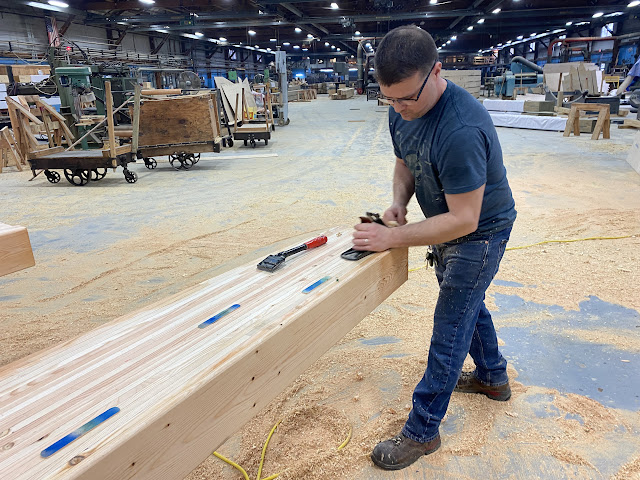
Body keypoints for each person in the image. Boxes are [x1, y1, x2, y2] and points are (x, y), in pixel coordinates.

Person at [351, 25, 517, 471]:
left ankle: (423, 432)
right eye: (390, 99)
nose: (399, 109)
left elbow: (465, 219)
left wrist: (392, 237)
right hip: (447, 226)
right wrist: (398, 204)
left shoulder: (461, 128)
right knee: (467, 307)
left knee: (450, 328)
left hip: (479, 233)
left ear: (438, 72)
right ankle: (493, 378)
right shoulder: (401, 106)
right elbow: (405, 159)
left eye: (407, 98)